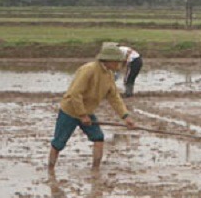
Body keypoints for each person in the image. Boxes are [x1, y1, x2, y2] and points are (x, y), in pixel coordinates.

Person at [48, 42, 136, 170]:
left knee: (98, 138)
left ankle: (95, 169)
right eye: (117, 61)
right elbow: (75, 93)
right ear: (108, 60)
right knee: (58, 143)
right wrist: (82, 115)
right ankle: (50, 169)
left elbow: (114, 97)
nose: (120, 65)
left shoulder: (109, 74)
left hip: (87, 111)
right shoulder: (88, 70)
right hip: (70, 110)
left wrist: (125, 116)